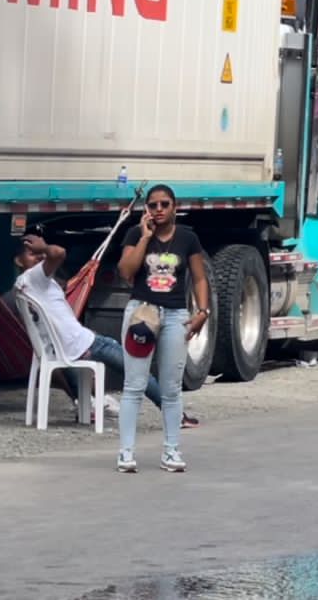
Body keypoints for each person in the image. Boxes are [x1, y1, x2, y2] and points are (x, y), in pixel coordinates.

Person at [10, 234, 197, 428]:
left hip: (62, 349)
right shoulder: (35, 276)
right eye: (32, 254)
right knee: (137, 370)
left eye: (39, 254)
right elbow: (58, 253)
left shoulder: (20, 286)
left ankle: (86, 406)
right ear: (18, 261)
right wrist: (44, 246)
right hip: (82, 345)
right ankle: (176, 415)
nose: (40, 257)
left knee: (96, 353)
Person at [115, 184, 208, 473]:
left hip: (175, 315)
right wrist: (144, 238)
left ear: (174, 206)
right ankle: (126, 453)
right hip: (142, 312)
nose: (158, 210)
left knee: (170, 389)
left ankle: (171, 451)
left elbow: (200, 278)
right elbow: (126, 271)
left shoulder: (188, 238)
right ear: (146, 209)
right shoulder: (135, 234)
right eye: (153, 205)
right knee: (134, 385)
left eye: (164, 204)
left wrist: (202, 311)